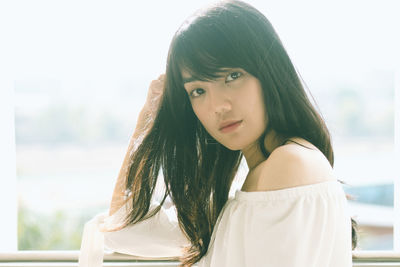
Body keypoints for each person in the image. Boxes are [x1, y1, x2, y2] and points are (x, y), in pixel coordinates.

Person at [78, 0, 359, 266]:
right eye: (198, 91)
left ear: (268, 71)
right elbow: (123, 228)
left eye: (232, 76)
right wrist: (148, 117)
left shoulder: (288, 166)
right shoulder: (246, 189)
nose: (218, 107)